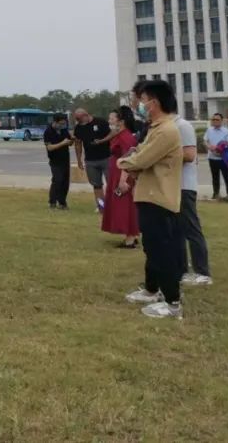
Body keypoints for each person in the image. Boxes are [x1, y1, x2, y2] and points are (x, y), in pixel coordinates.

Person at [118, 80, 185, 319]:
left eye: (143, 100)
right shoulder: (156, 128)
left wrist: (122, 162)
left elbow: (139, 159)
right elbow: (139, 154)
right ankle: (152, 290)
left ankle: (172, 302)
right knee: (152, 247)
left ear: (154, 103)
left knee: (161, 250)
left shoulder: (166, 130)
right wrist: (133, 160)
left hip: (159, 198)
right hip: (148, 195)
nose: (140, 104)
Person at [176, 112, 211, 286]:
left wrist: (160, 153)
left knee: (191, 228)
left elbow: (189, 156)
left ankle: (202, 272)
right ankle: (181, 268)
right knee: (177, 230)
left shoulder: (182, 126)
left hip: (184, 186)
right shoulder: (166, 126)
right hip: (172, 186)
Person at [101, 107, 140, 248]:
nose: (110, 121)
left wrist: (123, 180)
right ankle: (131, 235)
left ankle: (130, 238)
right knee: (122, 204)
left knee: (124, 205)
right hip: (117, 173)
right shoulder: (121, 134)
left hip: (122, 175)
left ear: (121, 121)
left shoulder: (125, 137)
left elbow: (128, 159)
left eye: (113, 118)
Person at [72, 108, 111, 212]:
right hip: (90, 160)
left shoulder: (100, 122)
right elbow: (78, 144)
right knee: (96, 185)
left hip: (106, 158)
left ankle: (113, 205)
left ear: (86, 115)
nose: (79, 122)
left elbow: (111, 135)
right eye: (77, 120)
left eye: (79, 119)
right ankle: (101, 206)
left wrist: (102, 141)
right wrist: (79, 160)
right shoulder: (78, 128)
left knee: (111, 183)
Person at [42, 113, 73, 210]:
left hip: (65, 159)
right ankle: (52, 202)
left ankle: (62, 202)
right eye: (61, 124)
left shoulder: (64, 130)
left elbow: (69, 143)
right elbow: (50, 147)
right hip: (55, 160)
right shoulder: (48, 131)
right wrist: (62, 143)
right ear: (55, 122)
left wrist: (72, 139)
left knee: (65, 182)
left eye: (64, 124)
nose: (62, 126)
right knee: (57, 180)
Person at [203, 113, 228, 199]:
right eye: (213, 119)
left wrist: (221, 149)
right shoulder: (209, 130)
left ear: (221, 121)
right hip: (212, 158)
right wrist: (209, 147)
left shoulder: (226, 131)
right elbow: (205, 141)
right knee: (215, 177)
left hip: (223, 158)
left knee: (227, 176)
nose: (215, 121)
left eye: (217, 119)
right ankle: (216, 194)